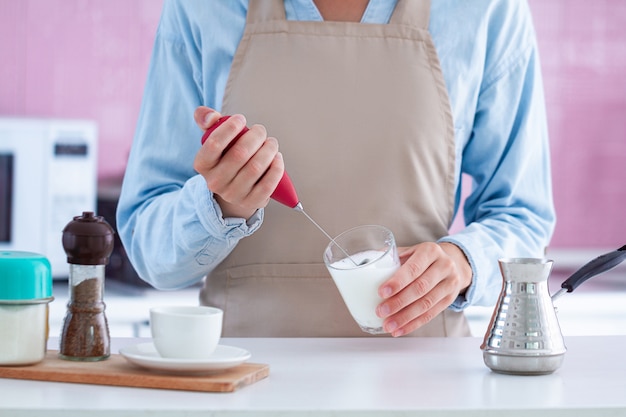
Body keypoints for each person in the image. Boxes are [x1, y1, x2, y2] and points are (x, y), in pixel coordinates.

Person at [117, 0, 555, 337]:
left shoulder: (487, 10)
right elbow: (149, 250)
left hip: (421, 386)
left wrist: (464, 263)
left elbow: (523, 217)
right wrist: (219, 207)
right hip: (245, 380)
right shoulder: (201, 9)